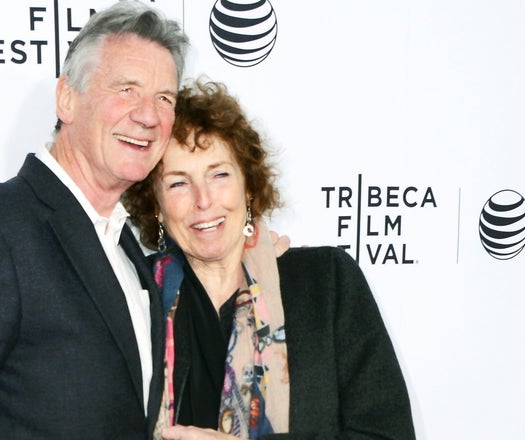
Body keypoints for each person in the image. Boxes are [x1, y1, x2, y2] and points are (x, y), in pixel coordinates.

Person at [0, 2, 188, 438]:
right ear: (67, 97)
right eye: (126, 89)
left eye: (165, 98)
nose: (148, 115)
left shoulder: (123, 244)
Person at [123, 80, 416, 439]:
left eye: (219, 174)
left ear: (249, 186)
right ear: (156, 206)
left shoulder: (325, 284)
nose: (204, 200)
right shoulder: (131, 298)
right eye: (178, 183)